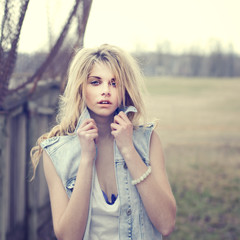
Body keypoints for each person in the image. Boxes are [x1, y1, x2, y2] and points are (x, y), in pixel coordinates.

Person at [30, 44, 176, 240]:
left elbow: (166, 224)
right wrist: (86, 159)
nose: (106, 91)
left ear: (125, 89)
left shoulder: (148, 141)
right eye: (96, 82)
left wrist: (128, 150)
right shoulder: (56, 153)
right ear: (81, 86)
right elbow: (68, 237)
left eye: (114, 83)